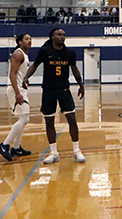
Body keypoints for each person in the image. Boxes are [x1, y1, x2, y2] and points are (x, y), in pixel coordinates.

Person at [24, 28, 86, 164]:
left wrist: (81, 84)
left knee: (72, 120)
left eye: (64, 35)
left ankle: (76, 150)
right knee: (49, 122)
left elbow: (74, 68)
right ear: (52, 37)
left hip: (64, 90)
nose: (62, 37)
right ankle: (54, 153)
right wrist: (26, 77)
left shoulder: (70, 53)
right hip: (48, 90)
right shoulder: (45, 51)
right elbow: (35, 65)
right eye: (59, 34)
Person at [0, 34, 34, 161]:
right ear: (19, 41)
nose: (29, 41)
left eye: (30, 39)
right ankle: (4, 145)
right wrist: (17, 92)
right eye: (26, 39)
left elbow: (20, 74)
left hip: (21, 88)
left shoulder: (25, 54)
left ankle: (16, 148)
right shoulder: (18, 54)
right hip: (15, 89)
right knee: (24, 119)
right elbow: (12, 73)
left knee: (24, 118)